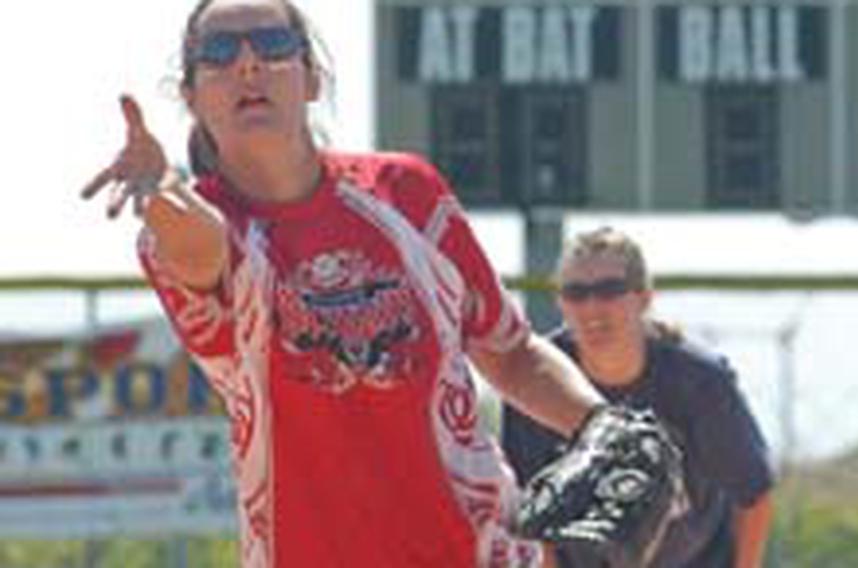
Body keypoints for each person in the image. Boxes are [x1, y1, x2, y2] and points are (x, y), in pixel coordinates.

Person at [79, 1, 616, 566]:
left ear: (312, 78)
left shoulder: (405, 193)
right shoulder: (195, 227)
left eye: (271, 44)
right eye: (217, 52)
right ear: (190, 95)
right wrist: (160, 193)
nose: (247, 65)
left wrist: (605, 425)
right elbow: (198, 249)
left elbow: (512, 355)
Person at [502, 227, 775, 568]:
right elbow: (527, 513)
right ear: (561, 302)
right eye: (576, 292)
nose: (592, 307)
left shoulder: (698, 382)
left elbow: (753, 493)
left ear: (643, 297)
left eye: (609, 290)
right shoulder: (538, 377)